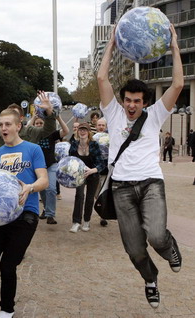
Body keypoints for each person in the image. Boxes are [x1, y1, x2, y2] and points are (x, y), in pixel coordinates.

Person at [97, 24, 183, 308]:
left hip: (150, 185)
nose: (131, 106)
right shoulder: (113, 114)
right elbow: (101, 77)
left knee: (157, 235)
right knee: (134, 250)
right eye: (128, 100)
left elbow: (178, 85)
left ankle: (170, 248)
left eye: (137, 101)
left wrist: (173, 46)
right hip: (121, 190)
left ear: (145, 103)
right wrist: (111, 44)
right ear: (122, 101)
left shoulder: (156, 115)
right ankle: (150, 279)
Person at [0, 108, 48, 318]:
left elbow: (44, 180)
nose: (3, 128)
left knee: (7, 264)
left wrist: (29, 187)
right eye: (1, 124)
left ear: (18, 126)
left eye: (8, 124)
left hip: (25, 215)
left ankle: (6, 309)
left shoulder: (33, 150)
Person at [28, 93, 69, 224]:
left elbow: (66, 131)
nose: (39, 125)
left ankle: (50, 214)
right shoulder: (32, 135)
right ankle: (46, 209)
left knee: (51, 188)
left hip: (51, 165)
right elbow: (25, 129)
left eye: (41, 123)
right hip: (38, 168)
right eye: (37, 123)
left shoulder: (50, 134)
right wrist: (34, 117)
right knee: (43, 192)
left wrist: (58, 117)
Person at [68, 123, 105, 232]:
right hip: (80, 175)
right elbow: (70, 160)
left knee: (90, 198)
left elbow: (101, 163)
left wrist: (92, 170)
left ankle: (87, 221)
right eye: (80, 130)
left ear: (89, 132)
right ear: (77, 131)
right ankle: (76, 222)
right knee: (79, 195)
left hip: (93, 174)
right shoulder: (74, 144)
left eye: (85, 130)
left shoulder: (94, 145)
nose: (82, 132)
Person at [95, 117, 109, 227]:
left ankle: (103, 216)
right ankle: (101, 209)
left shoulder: (110, 138)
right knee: (96, 194)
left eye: (103, 125)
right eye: (99, 125)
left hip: (106, 170)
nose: (101, 127)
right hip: (95, 170)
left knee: (103, 193)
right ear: (96, 126)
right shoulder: (92, 139)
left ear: (106, 127)